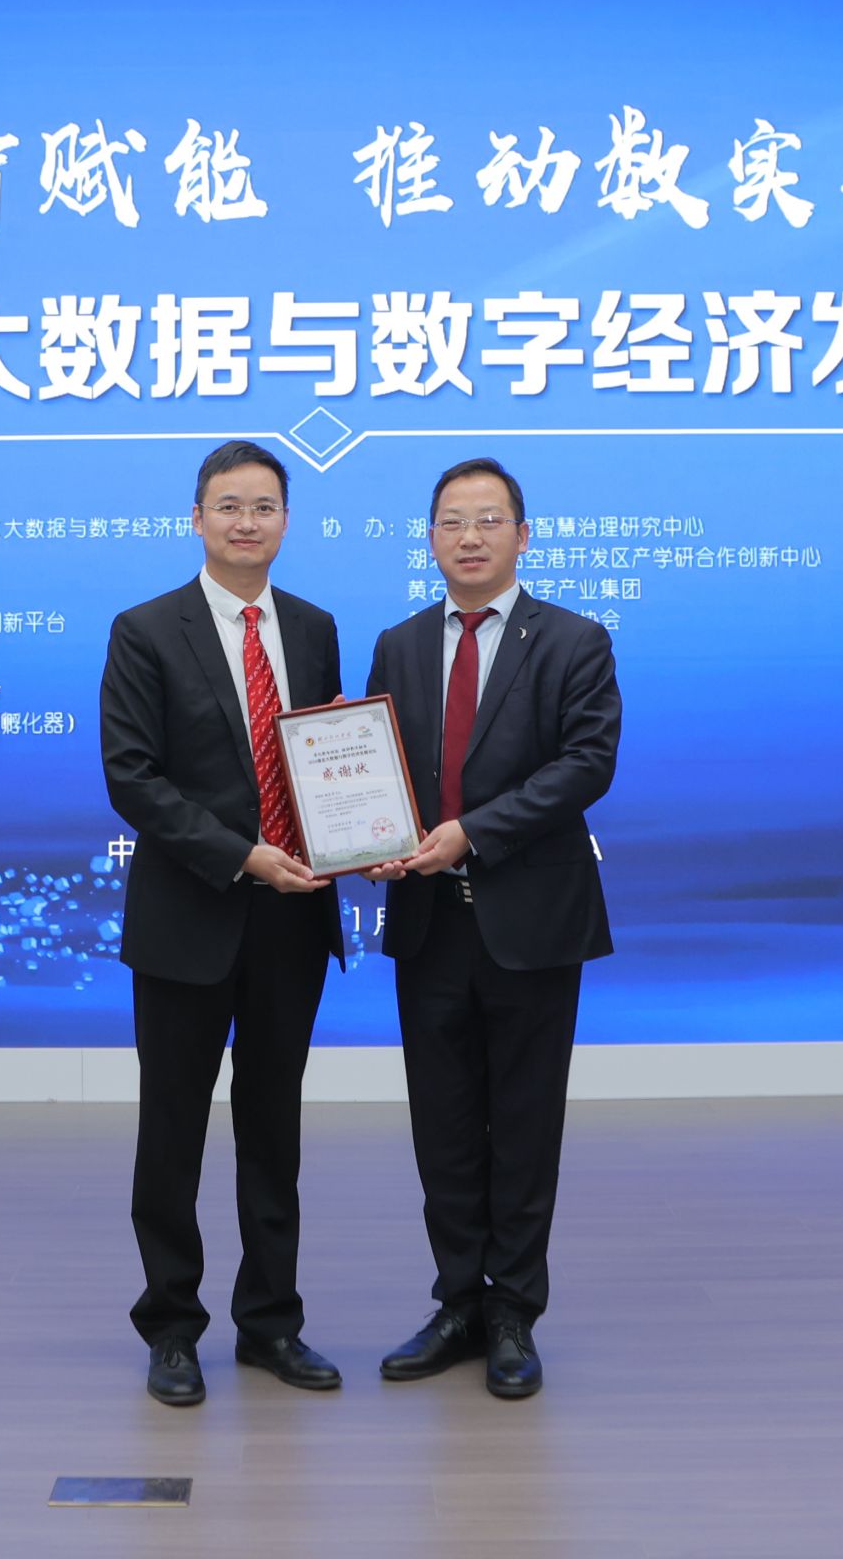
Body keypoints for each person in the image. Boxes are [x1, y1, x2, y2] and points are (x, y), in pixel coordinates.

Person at [98, 440, 348, 1407]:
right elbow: (133, 777)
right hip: (188, 917)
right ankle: (171, 1326)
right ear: (196, 519)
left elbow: (329, 760)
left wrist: (354, 825)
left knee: (273, 1126)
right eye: (229, 505)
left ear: (287, 521)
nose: (247, 522)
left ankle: (271, 1322)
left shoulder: (315, 629)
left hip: (293, 916)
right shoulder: (145, 630)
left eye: (264, 506)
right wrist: (240, 853)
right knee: (172, 1129)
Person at [363, 457, 619, 1399]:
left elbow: (586, 764)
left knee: (523, 1121)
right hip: (429, 920)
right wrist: (373, 835)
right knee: (442, 1125)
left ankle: (513, 1311)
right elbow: (378, 767)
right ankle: (456, 1304)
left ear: (522, 534)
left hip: (532, 919)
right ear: (430, 538)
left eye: (488, 520)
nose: (469, 537)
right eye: (451, 521)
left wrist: (472, 833)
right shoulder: (397, 644)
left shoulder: (575, 640)